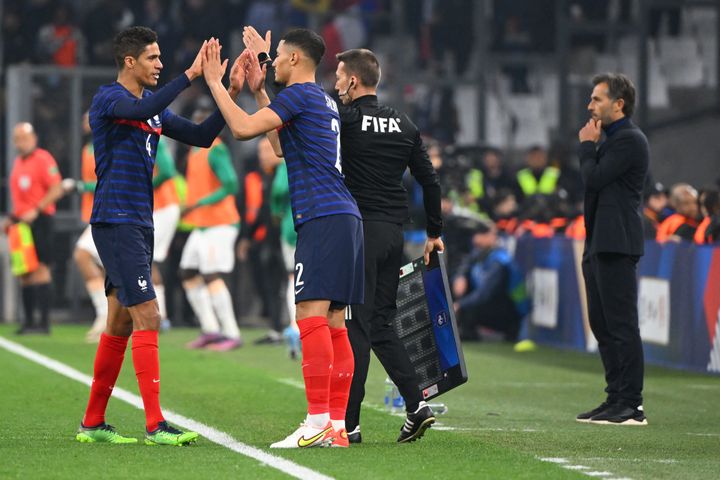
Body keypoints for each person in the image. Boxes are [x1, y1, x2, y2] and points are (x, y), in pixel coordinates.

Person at [204, 27, 364, 448]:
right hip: (344, 217)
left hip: (322, 216)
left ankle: (314, 425)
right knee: (333, 322)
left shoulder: (300, 95)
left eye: (275, 55)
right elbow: (278, 146)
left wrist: (215, 85)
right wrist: (258, 93)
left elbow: (240, 130)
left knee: (309, 314)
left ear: (295, 59)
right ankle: (337, 427)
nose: (270, 61)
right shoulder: (321, 99)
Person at [76, 27, 235, 446]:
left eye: (161, 58)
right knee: (149, 314)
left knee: (120, 320)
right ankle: (155, 424)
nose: (160, 65)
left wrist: (228, 91)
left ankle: (93, 423)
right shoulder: (109, 99)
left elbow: (201, 137)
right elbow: (149, 104)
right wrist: (191, 74)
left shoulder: (151, 111)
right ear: (130, 62)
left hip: (139, 222)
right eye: (153, 58)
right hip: (117, 218)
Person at [332, 48, 444, 444]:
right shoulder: (404, 123)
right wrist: (434, 233)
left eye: (339, 76)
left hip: (359, 231)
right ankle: (417, 406)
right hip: (394, 233)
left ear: (354, 81)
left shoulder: (344, 119)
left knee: (355, 327)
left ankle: (349, 423)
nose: (335, 83)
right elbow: (430, 182)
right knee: (380, 324)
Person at [576, 73, 649, 426]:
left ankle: (632, 404)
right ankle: (615, 398)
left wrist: (587, 146)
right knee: (602, 326)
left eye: (596, 99)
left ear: (618, 104)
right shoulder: (611, 140)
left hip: (617, 242)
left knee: (621, 325)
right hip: (599, 241)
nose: (590, 106)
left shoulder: (630, 141)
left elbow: (594, 179)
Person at [181, 107, 243, 352]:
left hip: (220, 223)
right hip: (202, 224)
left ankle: (231, 333)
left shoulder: (215, 149)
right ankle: (211, 329)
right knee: (187, 272)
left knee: (211, 275)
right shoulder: (195, 151)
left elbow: (231, 184)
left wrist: (199, 203)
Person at [4, 122, 67, 334]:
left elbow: (57, 188)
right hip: (21, 224)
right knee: (24, 271)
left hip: (40, 220)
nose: (21, 142)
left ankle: (44, 323)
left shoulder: (43, 159)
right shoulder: (18, 162)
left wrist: (37, 209)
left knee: (41, 269)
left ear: (34, 139)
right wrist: (12, 218)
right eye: (18, 138)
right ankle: (29, 322)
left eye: (25, 138)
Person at [452, 221, 528, 342]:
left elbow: (484, 294)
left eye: (480, 234)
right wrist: (460, 276)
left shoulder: (500, 261)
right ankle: (467, 330)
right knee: (461, 286)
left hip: (510, 312)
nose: (475, 239)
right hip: (493, 304)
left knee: (470, 303)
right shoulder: (481, 253)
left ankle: (469, 331)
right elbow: (466, 262)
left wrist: (459, 305)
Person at [72, 112, 107, 342]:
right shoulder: (88, 148)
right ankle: (110, 317)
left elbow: (108, 177)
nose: (86, 122)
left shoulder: (108, 143)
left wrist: (81, 186)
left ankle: (105, 315)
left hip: (110, 210)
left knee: (82, 254)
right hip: (97, 212)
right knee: (106, 268)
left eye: (89, 118)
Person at [151, 138, 180, 330]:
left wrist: (144, 185)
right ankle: (160, 316)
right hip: (157, 207)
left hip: (163, 207)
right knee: (147, 260)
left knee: (146, 259)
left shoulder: (155, 138)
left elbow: (168, 171)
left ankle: (158, 317)